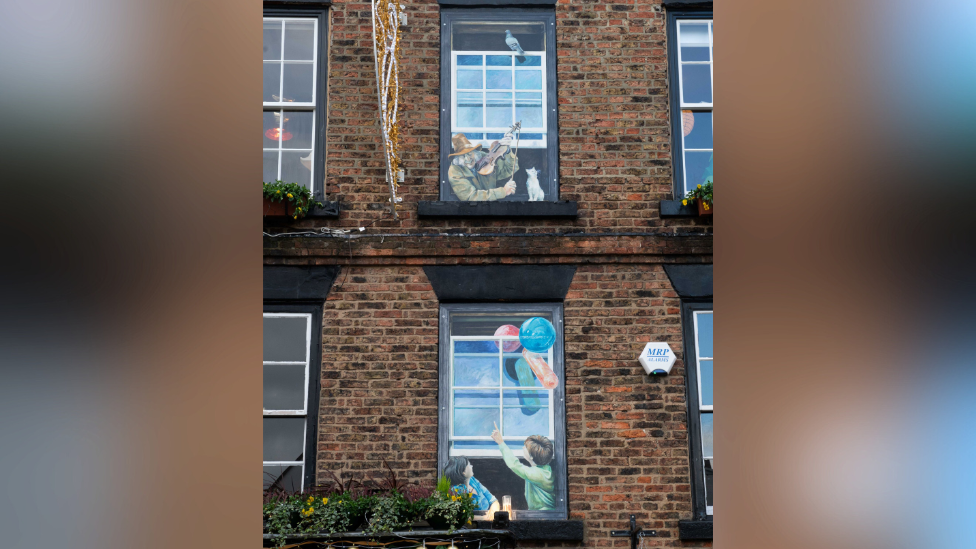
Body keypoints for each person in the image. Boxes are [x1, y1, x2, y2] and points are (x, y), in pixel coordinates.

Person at [490, 424, 555, 511]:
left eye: (525, 447)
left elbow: (514, 464)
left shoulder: (536, 474)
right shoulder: (547, 470)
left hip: (540, 515)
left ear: (531, 456)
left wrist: (501, 443)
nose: (522, 447)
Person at [447, 133, 518, 201]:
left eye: (469, 154)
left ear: (474, 152)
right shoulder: (454, 171)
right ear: (457, 158)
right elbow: (471, 197)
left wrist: (507, 150)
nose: (467, 159)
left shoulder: (483, 157)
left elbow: (510, 169)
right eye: (462, 156)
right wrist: (503, 191)